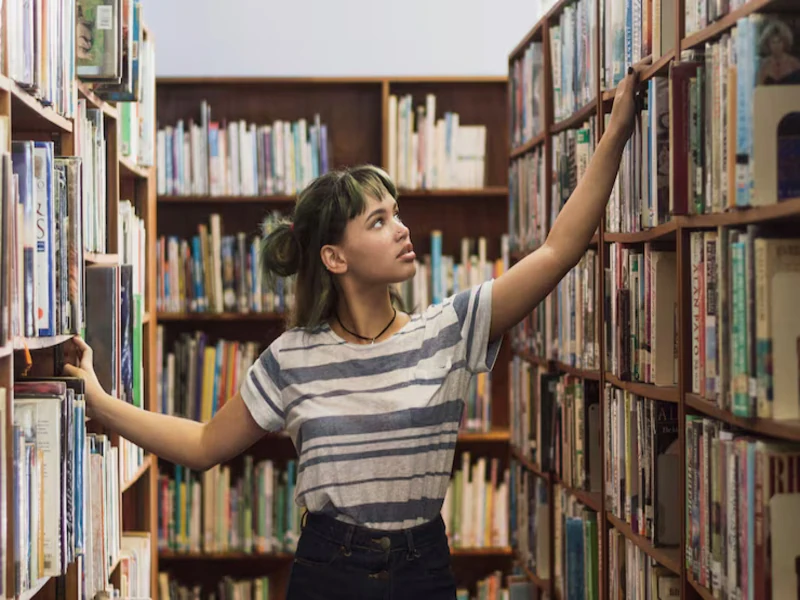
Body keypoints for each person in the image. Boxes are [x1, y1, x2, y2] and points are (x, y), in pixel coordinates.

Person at [64, 66, 643, 599]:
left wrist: (617, 129)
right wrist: (99, 402)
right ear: (336, 258)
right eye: (379, 220)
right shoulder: (292, 357)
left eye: (397, 213)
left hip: (424, 569)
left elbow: (559, 250)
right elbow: (202, 447)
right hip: (328, 570)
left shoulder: (450, 329)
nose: (402, 229)